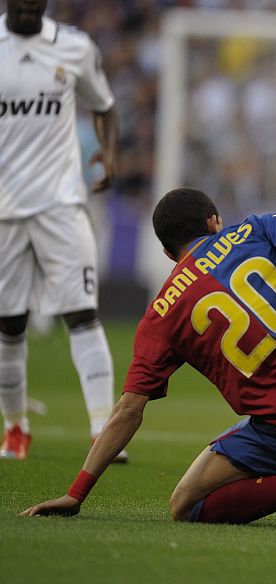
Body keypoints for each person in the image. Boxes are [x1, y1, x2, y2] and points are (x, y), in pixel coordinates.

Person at [21, 166, 276, 531]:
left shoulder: (161, 314)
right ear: (215, 221)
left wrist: (76, 493)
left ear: (169, 254)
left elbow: (128, 411)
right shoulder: (254, 230)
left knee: (184, 504)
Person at [0, 0, 122, 461]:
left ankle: (101, 431)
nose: (30, 5)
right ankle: (15, 429)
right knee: (8, 326)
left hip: (62, 204)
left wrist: (109, 154)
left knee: (82, 313)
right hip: (4, 211)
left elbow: (105, 105)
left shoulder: (73, 47)